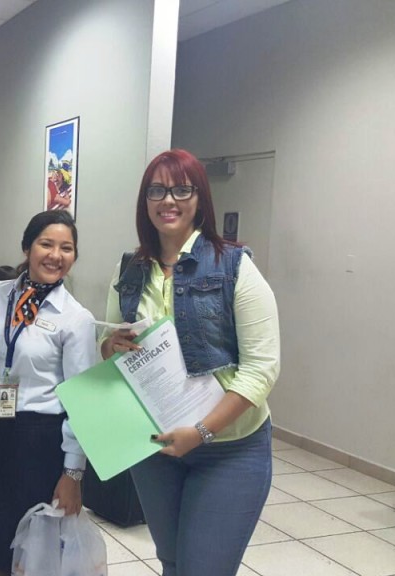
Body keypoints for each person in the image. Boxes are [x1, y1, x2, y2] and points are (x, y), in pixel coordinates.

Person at [100, 149, 280, 576]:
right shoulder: (130, 269)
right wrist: (111, 347)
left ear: (200, 198)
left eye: (182, 189)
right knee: (174, 562)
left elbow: (262, 370)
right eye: (157, 190)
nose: (169, 200)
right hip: (155, 446)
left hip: (229, 448)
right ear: (145, 200)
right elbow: (107, 349)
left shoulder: (235, 265)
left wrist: (201, 432)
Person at [0, 210, 97, 576]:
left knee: (35, 561)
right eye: (46, 244)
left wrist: (73, 474)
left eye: (66, 248)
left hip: (41, 445)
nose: (56, 255)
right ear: (27, 247)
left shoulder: (75, 318)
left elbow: (83, 402)